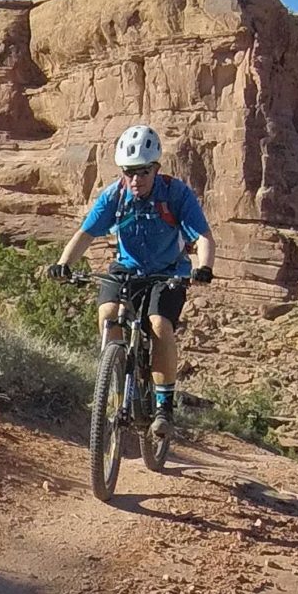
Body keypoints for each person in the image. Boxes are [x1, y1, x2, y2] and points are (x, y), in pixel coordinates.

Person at [49, 124, 214, 419]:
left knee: (159, 324)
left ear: (156, 168)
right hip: (127, 269)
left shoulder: (175, 195)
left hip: (169, 271)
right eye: (129, 172)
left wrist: (204, 268)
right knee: (108, 314)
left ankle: (163, 407)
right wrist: (63, 264)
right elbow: (86, 234)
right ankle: (115, 382)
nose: (135, 179)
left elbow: (203, 237)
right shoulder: (115, 196)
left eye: (143, 171)